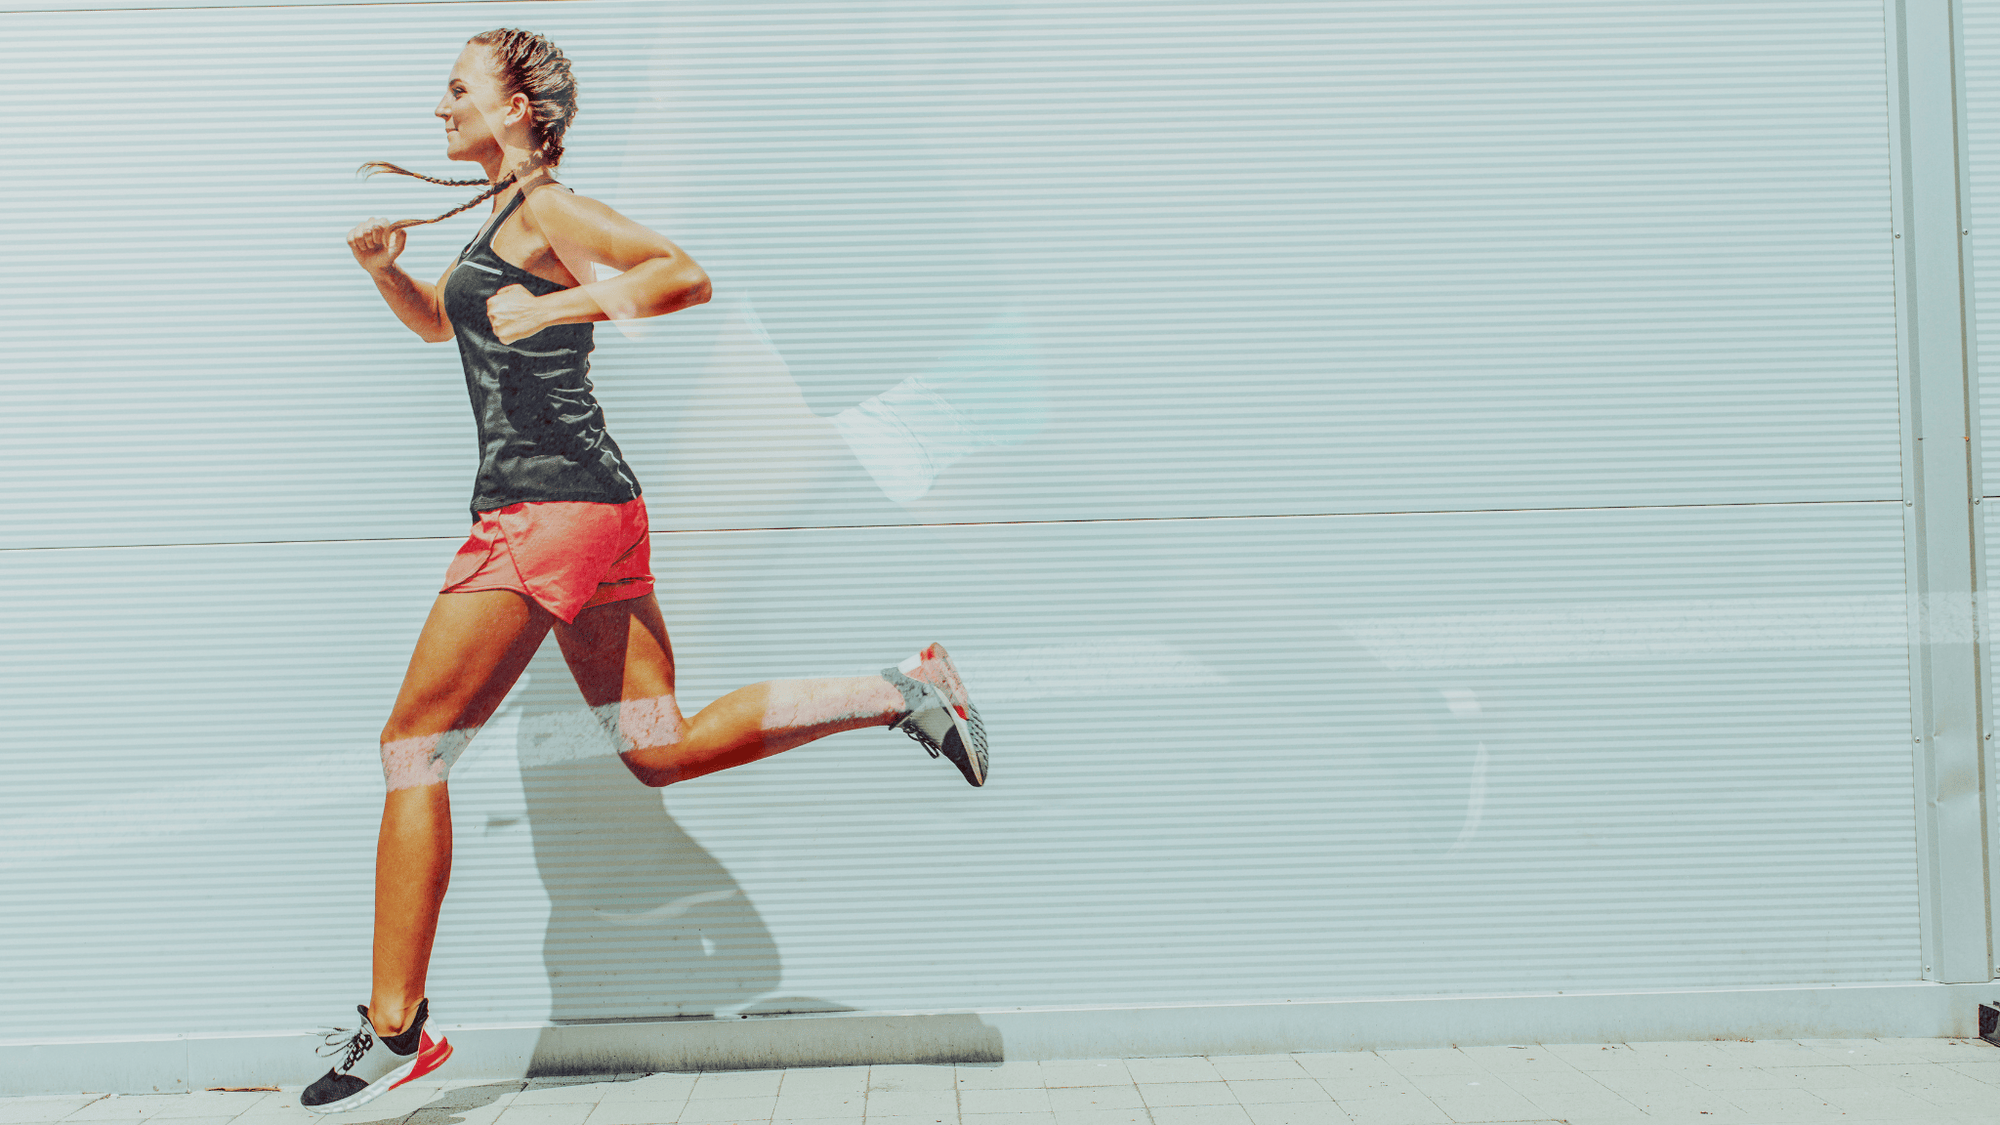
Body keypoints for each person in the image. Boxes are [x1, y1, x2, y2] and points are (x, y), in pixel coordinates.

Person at [304, 28, 987, 1114]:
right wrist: (389, 276)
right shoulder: (501, 218)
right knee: (656, 749)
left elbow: (683, 274)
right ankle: (900, 689)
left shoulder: (547, 208)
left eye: (457, 90)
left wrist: (567, 303)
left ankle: (396, 1028)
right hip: (591, 508)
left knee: (412, 748)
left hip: (547, 510)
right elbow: (448, 328)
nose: (439, 108)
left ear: (521, 107)